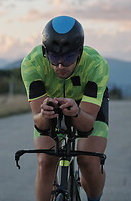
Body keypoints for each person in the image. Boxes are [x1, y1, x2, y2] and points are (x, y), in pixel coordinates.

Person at [21, 15, 109, 201]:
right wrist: (44, 114)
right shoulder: (32, 63)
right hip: (51, 106)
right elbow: (39, 123)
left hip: (85, 108)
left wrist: (76, 112)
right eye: (54, 57)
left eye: (68, 58)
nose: (60, 66)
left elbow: (86, 126)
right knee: (45, 163)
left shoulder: (96, 65)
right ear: (45, 52)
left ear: (79, 52)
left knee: (89, 161)